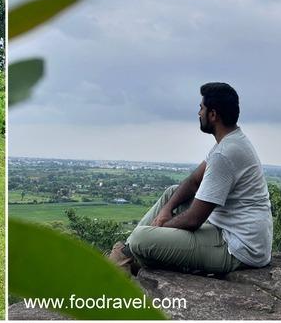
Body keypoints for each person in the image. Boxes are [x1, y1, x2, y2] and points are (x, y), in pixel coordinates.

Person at [109, 82, 272, 276]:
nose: (198, 113)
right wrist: (166, 210)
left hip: (238, 247)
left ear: (213, 115)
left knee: (140, 239)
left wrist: (160, 228)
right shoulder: (230, 142)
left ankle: (124, 257)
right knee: (172, 193)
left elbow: (194, 219)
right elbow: (193, 181)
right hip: (228, 229)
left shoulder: (225, 154)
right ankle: (127, 255)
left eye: (201, 108)